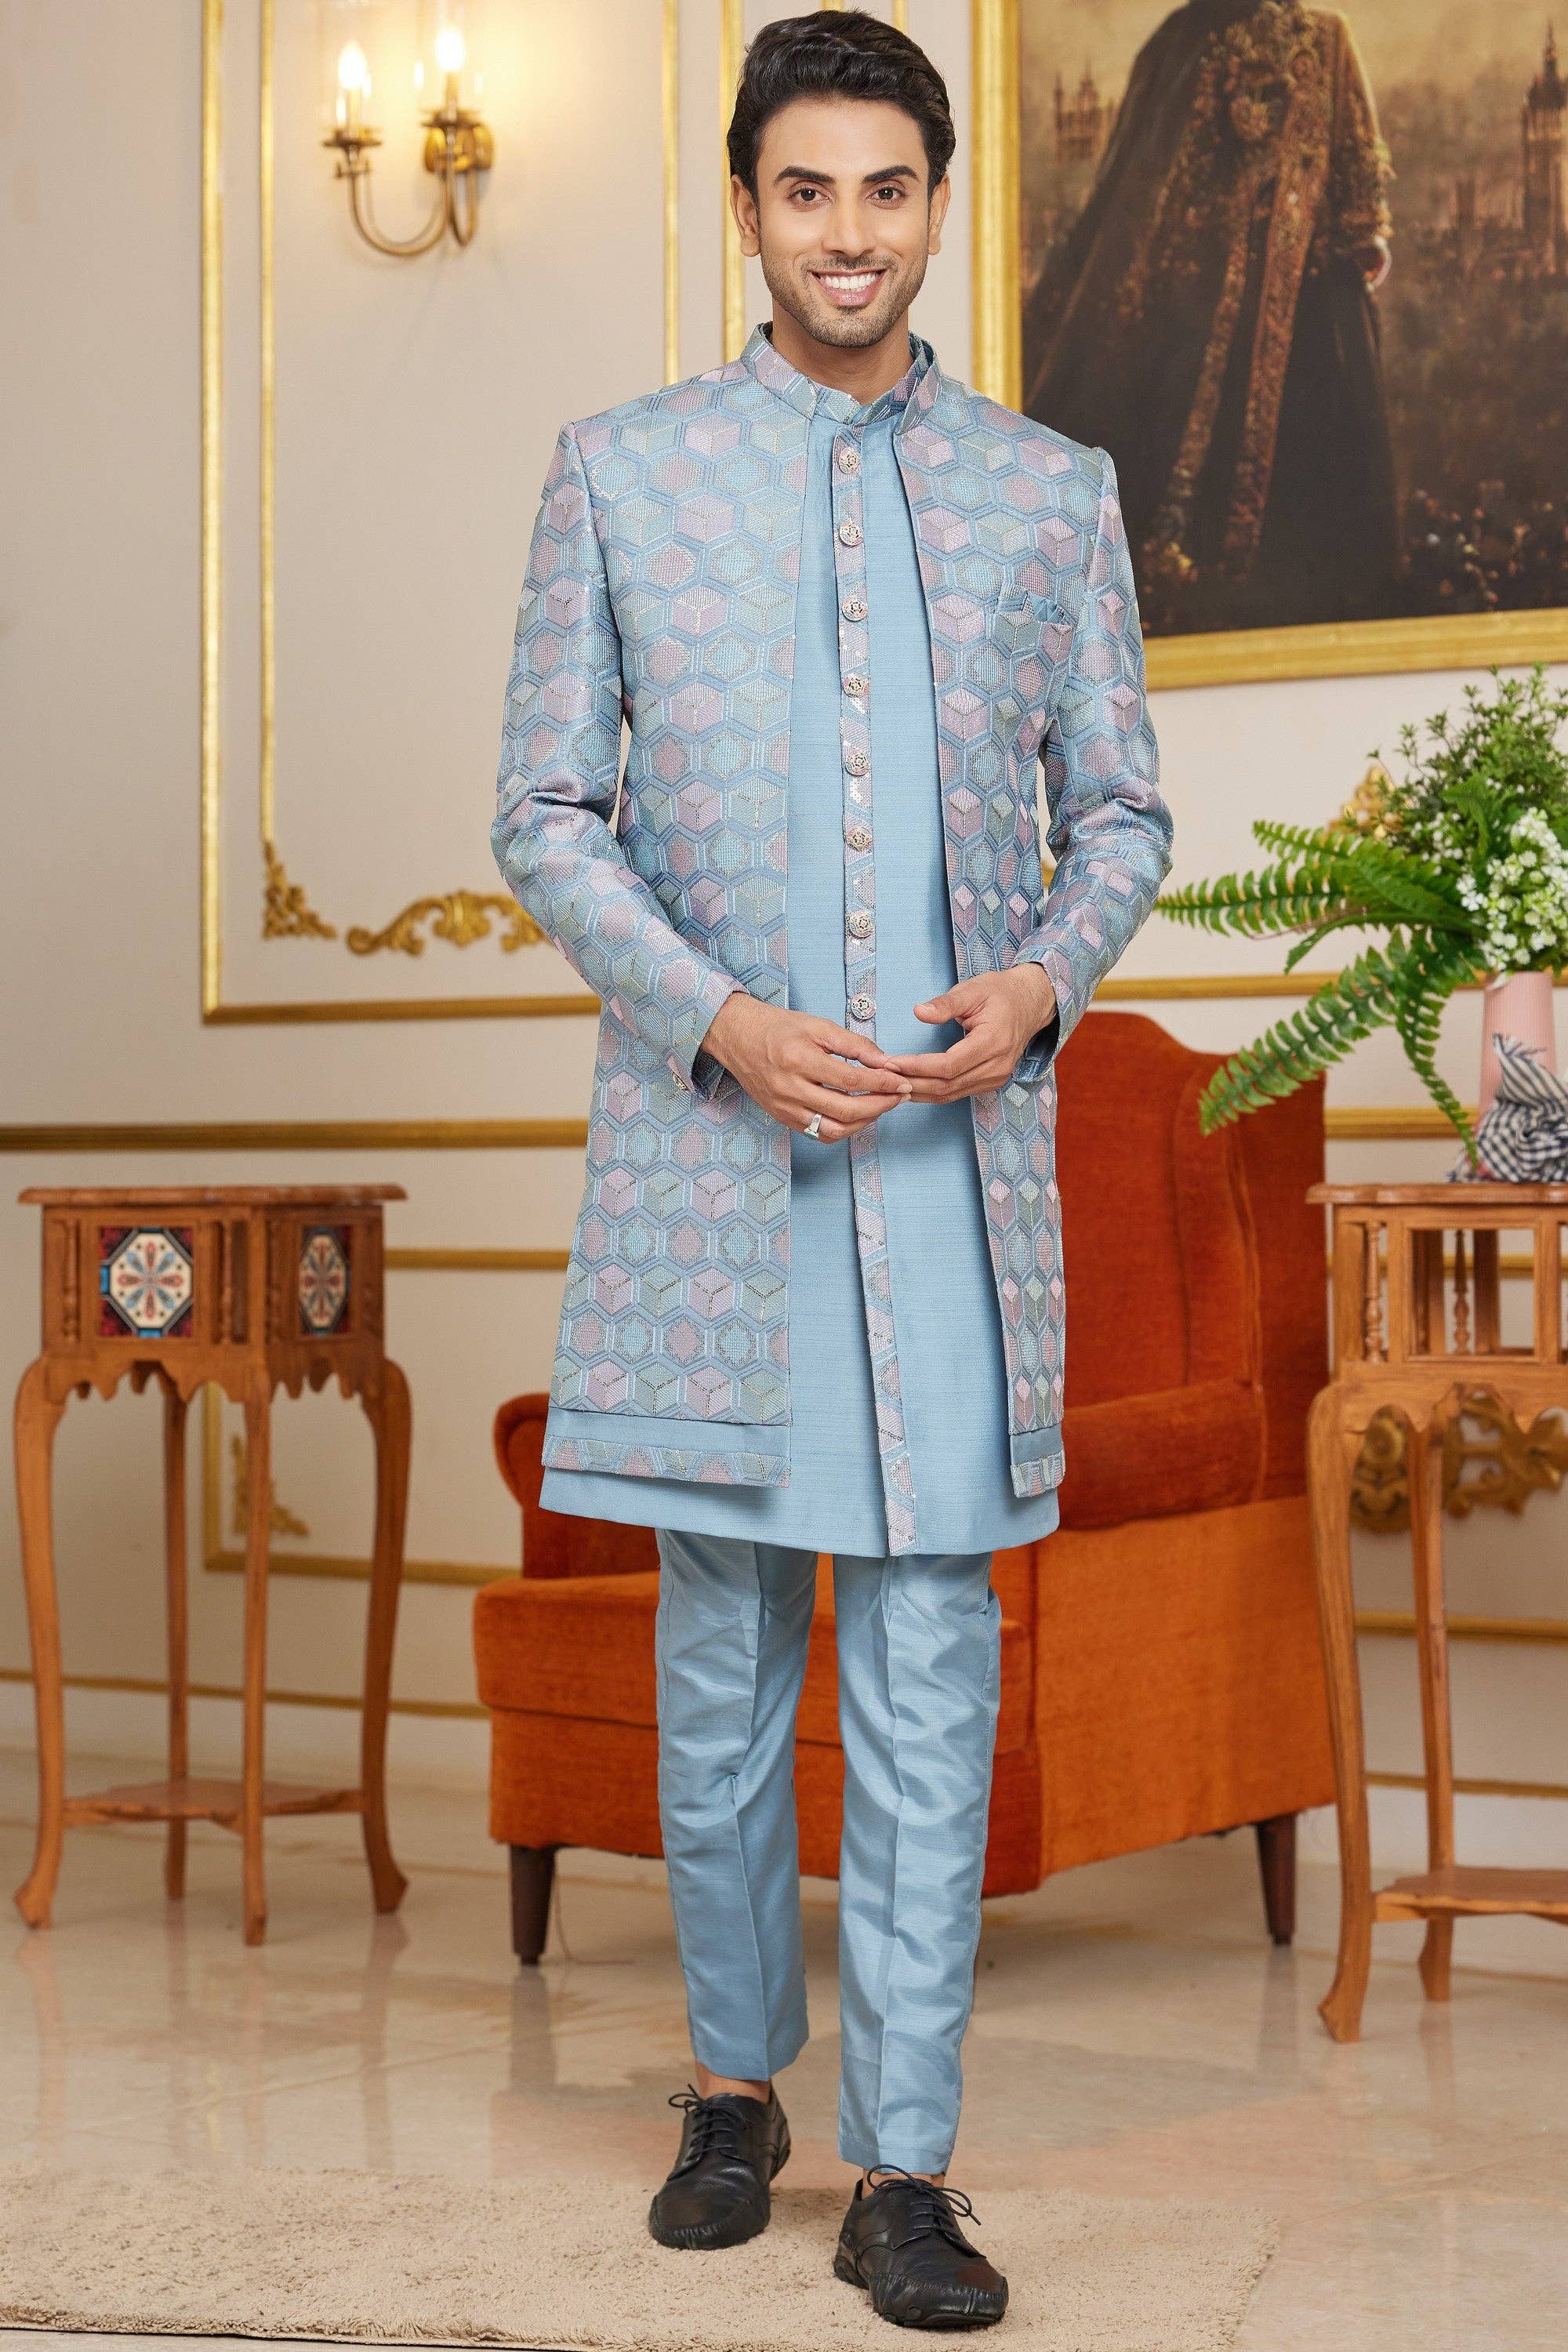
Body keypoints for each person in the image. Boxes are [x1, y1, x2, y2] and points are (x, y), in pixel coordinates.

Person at [492, 9, 1171, 2330]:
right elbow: (542, 811)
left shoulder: (1046, 492)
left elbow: (1121, 814)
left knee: (927, 1668)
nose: (848, 232)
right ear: (746, 206)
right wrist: (717, 1017)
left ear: (934, 206)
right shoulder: (623, 473)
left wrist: (1044, 982)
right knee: (716, 1662)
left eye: (887, 189)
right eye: (807, 190)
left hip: (950, 1189)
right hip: (713, 1175)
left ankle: (905, 2160)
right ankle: (726, 2086)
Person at [1024, 0, 1399, 634]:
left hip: (1248, 312)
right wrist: (1362, 240)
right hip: (1240, 316)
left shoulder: (1187, 45)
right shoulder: (1243, 44)